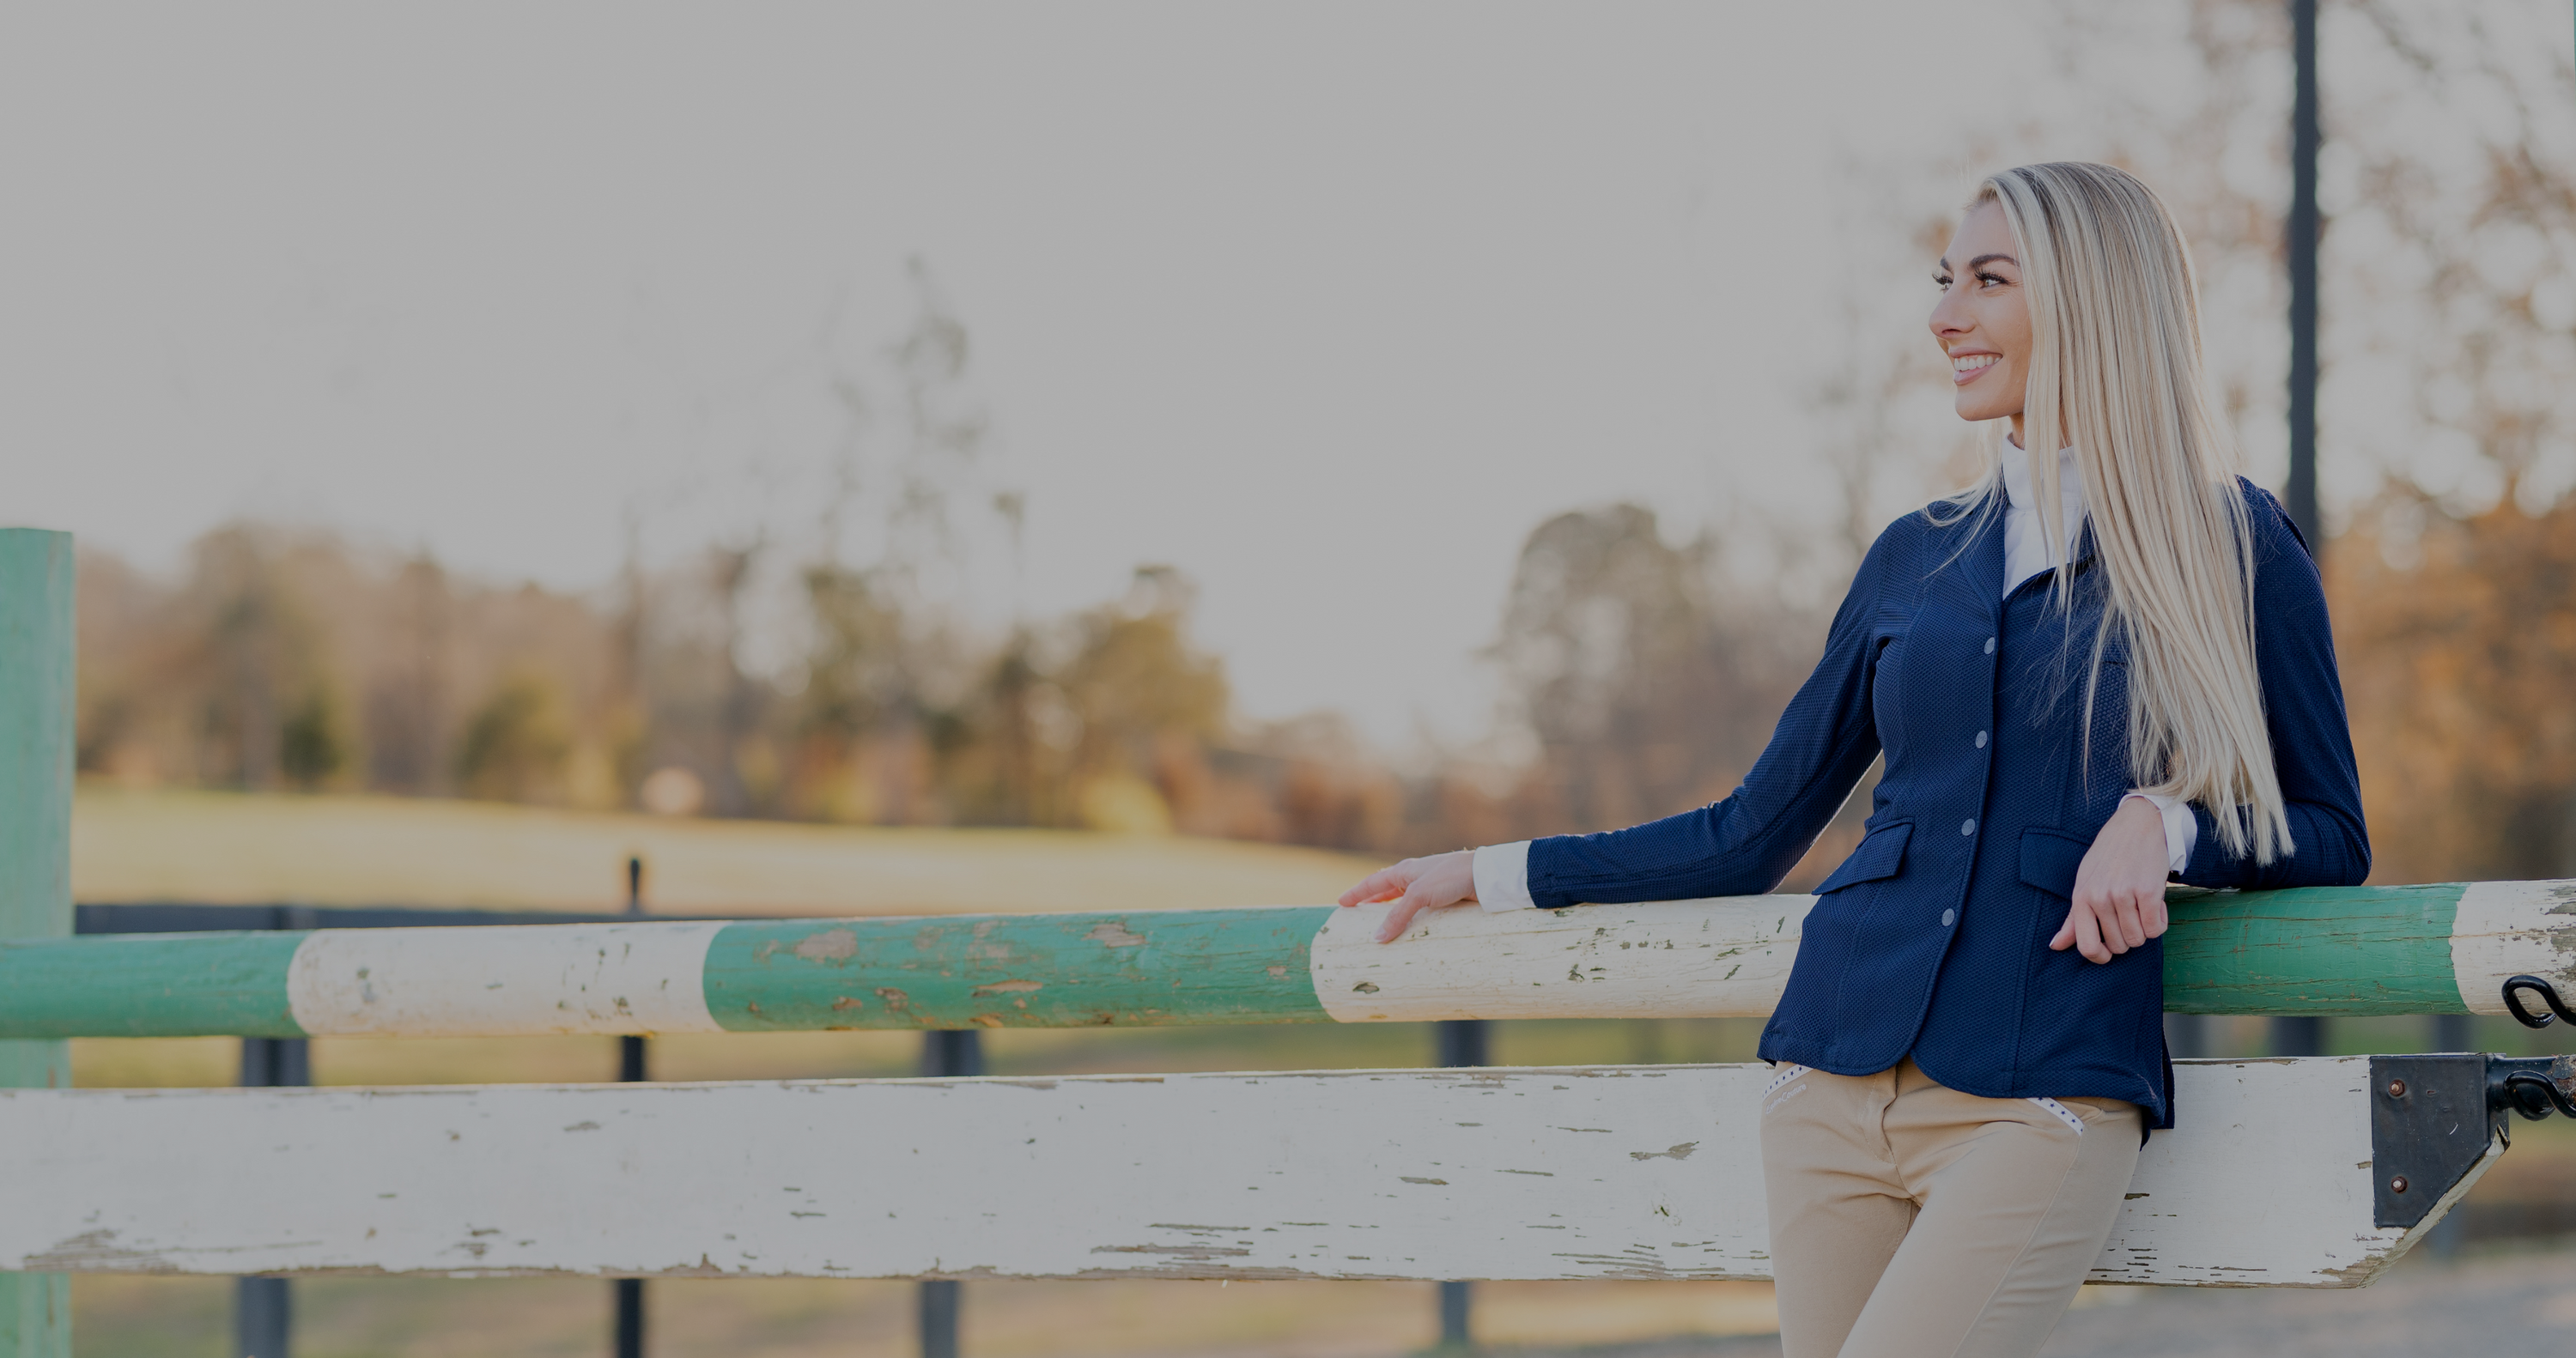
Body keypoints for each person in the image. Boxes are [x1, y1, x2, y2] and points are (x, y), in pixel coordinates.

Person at [1337, 161, 2370, 1358]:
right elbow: (1752, 828)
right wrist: (1492, 869)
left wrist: (2168, 823)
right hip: (1827, 1077)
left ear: (2093, 297)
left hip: (2040, 1096)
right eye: (1945, 282)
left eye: (1989, 280)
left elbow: (2331, 831)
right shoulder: (1911, 555)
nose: (1944, 317)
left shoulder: (2235, 541)